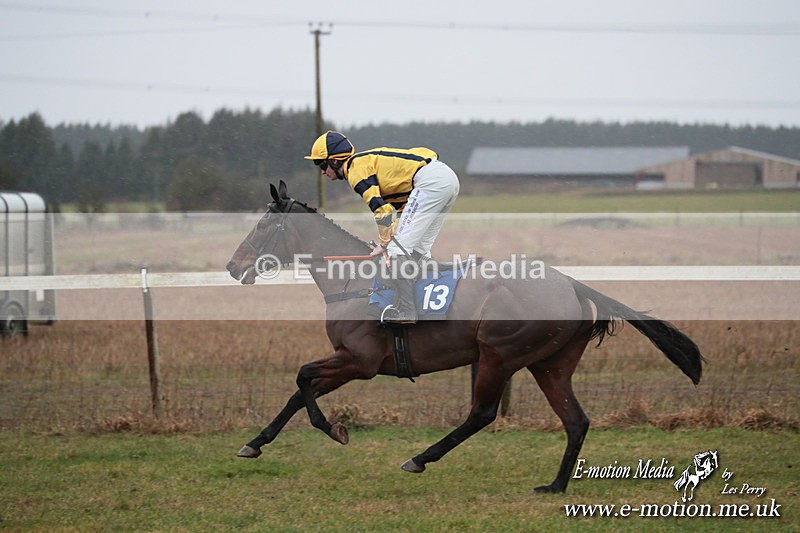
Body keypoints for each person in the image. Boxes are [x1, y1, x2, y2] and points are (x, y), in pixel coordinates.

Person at [305, 130, 460, 324]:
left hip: (431, 182)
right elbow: (401, 209)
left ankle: (407, 311)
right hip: (446, 178)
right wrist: (389, 240)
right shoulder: (366, 163)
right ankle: (424, 307)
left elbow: (382, 211)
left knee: (397, 251)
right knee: (417, 251)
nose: (321, 171)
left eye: (321, 164)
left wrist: (385, 244)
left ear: (335, 161)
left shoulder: (355, 171)